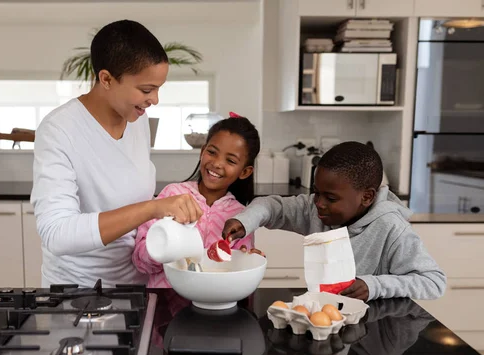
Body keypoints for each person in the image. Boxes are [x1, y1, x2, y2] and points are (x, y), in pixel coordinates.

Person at [31, 20, 202, 288]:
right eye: (146, 90)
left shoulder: (137, 119)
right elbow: (57, 234)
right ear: (106, 79)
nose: (155, 99)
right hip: (78, 292)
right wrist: (153, 208)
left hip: (136, 285)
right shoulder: (59, 130)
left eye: (158, 88)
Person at [222, 141, 446, 301]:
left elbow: (433, 282)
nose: (318, 203)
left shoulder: (392, 228)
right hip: (328, 322)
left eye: (330, 198)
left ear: (366, 197)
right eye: (316, 192)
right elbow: (271, 205)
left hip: (375, 330)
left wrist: (374, 285)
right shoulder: (316, 208)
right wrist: (245, 221)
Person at [132, 114, 261, 287]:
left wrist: (248, 261)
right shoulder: (172, 195)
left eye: (230, 160)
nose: (217, 163)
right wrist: (163, 248)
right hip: (164, 301)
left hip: (213, 303)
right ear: (202, 152)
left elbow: (235, 273)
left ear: (244, 172)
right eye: (212, 152)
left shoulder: (241, 218)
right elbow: (140, 262)